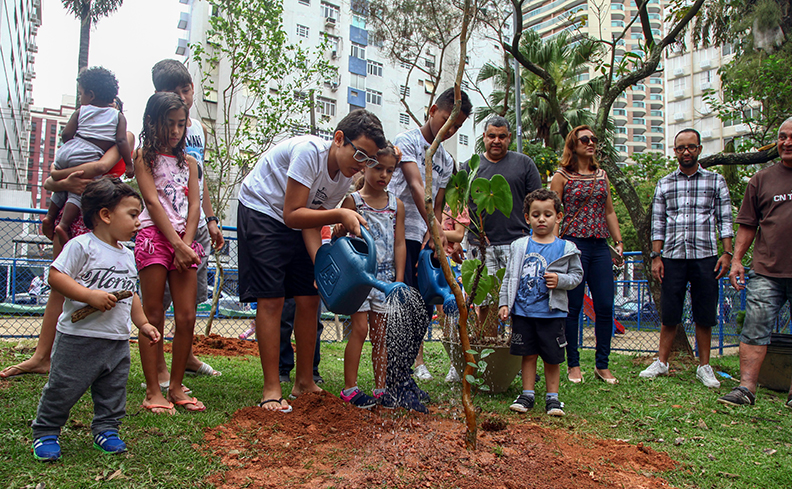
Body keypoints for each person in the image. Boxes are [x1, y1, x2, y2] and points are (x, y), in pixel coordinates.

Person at [237, 109, 386, 413]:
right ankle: (271, 388)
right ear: (339, 139)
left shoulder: (343, 177)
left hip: (295, 220)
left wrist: (320, 265)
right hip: (262, 210)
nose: (362, 166)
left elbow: (310, 223)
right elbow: (292, 214)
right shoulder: (309, 153)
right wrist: (341, 213)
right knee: (272, 299)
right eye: (360, 154)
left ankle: (304, 382)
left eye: (369, 160)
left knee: (309, 297)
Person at [31, 178, 161, 461]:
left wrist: (143, 323)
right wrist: (90, 296)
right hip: (78, 339)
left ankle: (107, 429)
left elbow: (130, 294)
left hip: (116, 341)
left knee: (113, 390)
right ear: (105, 215)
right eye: (132, 214)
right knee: (63, 388)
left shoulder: (128, 256)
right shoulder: (81, 246)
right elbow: (56, 276)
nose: (138, 222)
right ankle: (46, 430)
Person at [148, 59, 225, 384]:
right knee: (159, 303)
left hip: (195, 227)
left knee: (190, 301)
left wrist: (211, 219)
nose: (182, 96)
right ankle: (158, 367)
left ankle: (187, 356)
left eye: (185, 89)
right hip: (164, 230)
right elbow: (153, 192)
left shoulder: (198, 130)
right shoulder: (156, 134)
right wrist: (177, 242)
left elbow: (198, 180)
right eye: (173, 91)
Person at [388, 87, 471, 383]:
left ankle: (405, 375)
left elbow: (436, 205)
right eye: (448, 120)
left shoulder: (446, 161)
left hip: (422, 239)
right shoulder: (408, 141)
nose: (450, 129)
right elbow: (416, 186)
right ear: (433, 110)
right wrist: (438, 232)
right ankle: (394, 377)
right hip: (397, 234)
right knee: (401, 305)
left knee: (423, 308)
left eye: (457, 126)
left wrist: (433, 238)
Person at [639, 129, 734, 388]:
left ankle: (704, 366)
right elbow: (658, 222)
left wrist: (727, 253)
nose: (686, 152)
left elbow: (725, 219)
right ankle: (662, 362)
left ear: (699, 149)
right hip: (672, 256)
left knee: (705, 312)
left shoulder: (715, 181)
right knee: (670, 312)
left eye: (691, 147)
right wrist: (656, 256)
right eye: (681, 148)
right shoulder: (665, 183)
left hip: (706, 256)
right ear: (675, 151)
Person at [134, 92, 204, 413]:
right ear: (152, 122)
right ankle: (153, 391)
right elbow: (151, 201)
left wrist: (185, 245)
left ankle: (175, 386)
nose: (175, 131)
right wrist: (175, 244)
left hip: (184, 242)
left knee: (187, 316)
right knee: (153, 315)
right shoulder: (143, 157)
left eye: (180, 124)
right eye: (169, 123)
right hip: (154, 237)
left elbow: (194, 205)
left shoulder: (189, 163)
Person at [717, 117, 792, 407]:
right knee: (754, 328)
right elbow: (748, 225)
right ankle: (746, 389)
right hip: (766, 270)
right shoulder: (761, 179)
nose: (787, 142)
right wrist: (737, 260)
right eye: (782, 137)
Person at [550, 125, 624, 384]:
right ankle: (573, 364)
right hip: (573, 246)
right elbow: (554, 213)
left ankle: (602, 365)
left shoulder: (601, 175)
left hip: (600, 246)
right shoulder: (561, 176)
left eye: (594, 139)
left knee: (605, 306)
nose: (591, 143)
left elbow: (609, 211)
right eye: (585, 139)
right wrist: (555, 246)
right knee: (573, 308)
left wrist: (618, 241)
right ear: (573, 144)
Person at [499, 189, 582, 416]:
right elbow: (509, 277)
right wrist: (504, 303)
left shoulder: (567, 248)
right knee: (528, 354)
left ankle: (552, 398)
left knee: (552, 357)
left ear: (558, 216)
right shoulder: (519, 246)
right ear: (527, 218)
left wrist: (560, 280)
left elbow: (577, 276)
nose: (542, 219)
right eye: (536, 215)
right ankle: (527, 394)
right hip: (523, 313)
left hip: (552, 314)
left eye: (547, 214)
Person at [336, 143, 405, 409]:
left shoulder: (396, 205)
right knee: (360, 329)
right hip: (359, 277)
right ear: (365, 167)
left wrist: (398, 279)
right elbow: (340, 237)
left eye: (390, 170)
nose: (383, 175)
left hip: (385, 278)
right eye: (378, 168)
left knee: (381, 335)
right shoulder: (353, 202)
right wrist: (339, 230)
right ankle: (350, 389)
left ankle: (381, 389)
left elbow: (399, 243)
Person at [463, 116, 542, 337]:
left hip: (516, 243)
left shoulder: (524, 164)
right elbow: (459, 206)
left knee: (518, 302)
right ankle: (489, 352)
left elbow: (538, 202)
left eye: (502, 136)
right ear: (484, 138)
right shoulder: (471, 167)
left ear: (509, 138)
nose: (496, 141)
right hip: (480, 245)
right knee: (485, 303)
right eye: (491, 136)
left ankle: (518, 353)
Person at [42, 67, 134, 244]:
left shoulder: (82, 111)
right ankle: (61, 224)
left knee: (69, 189)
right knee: (75, 193)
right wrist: (130, 165)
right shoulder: (115, 122)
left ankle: (50, 217)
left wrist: (58, 171)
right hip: (87, 208)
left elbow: (66, 135)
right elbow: (99, 166)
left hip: (69, 153)